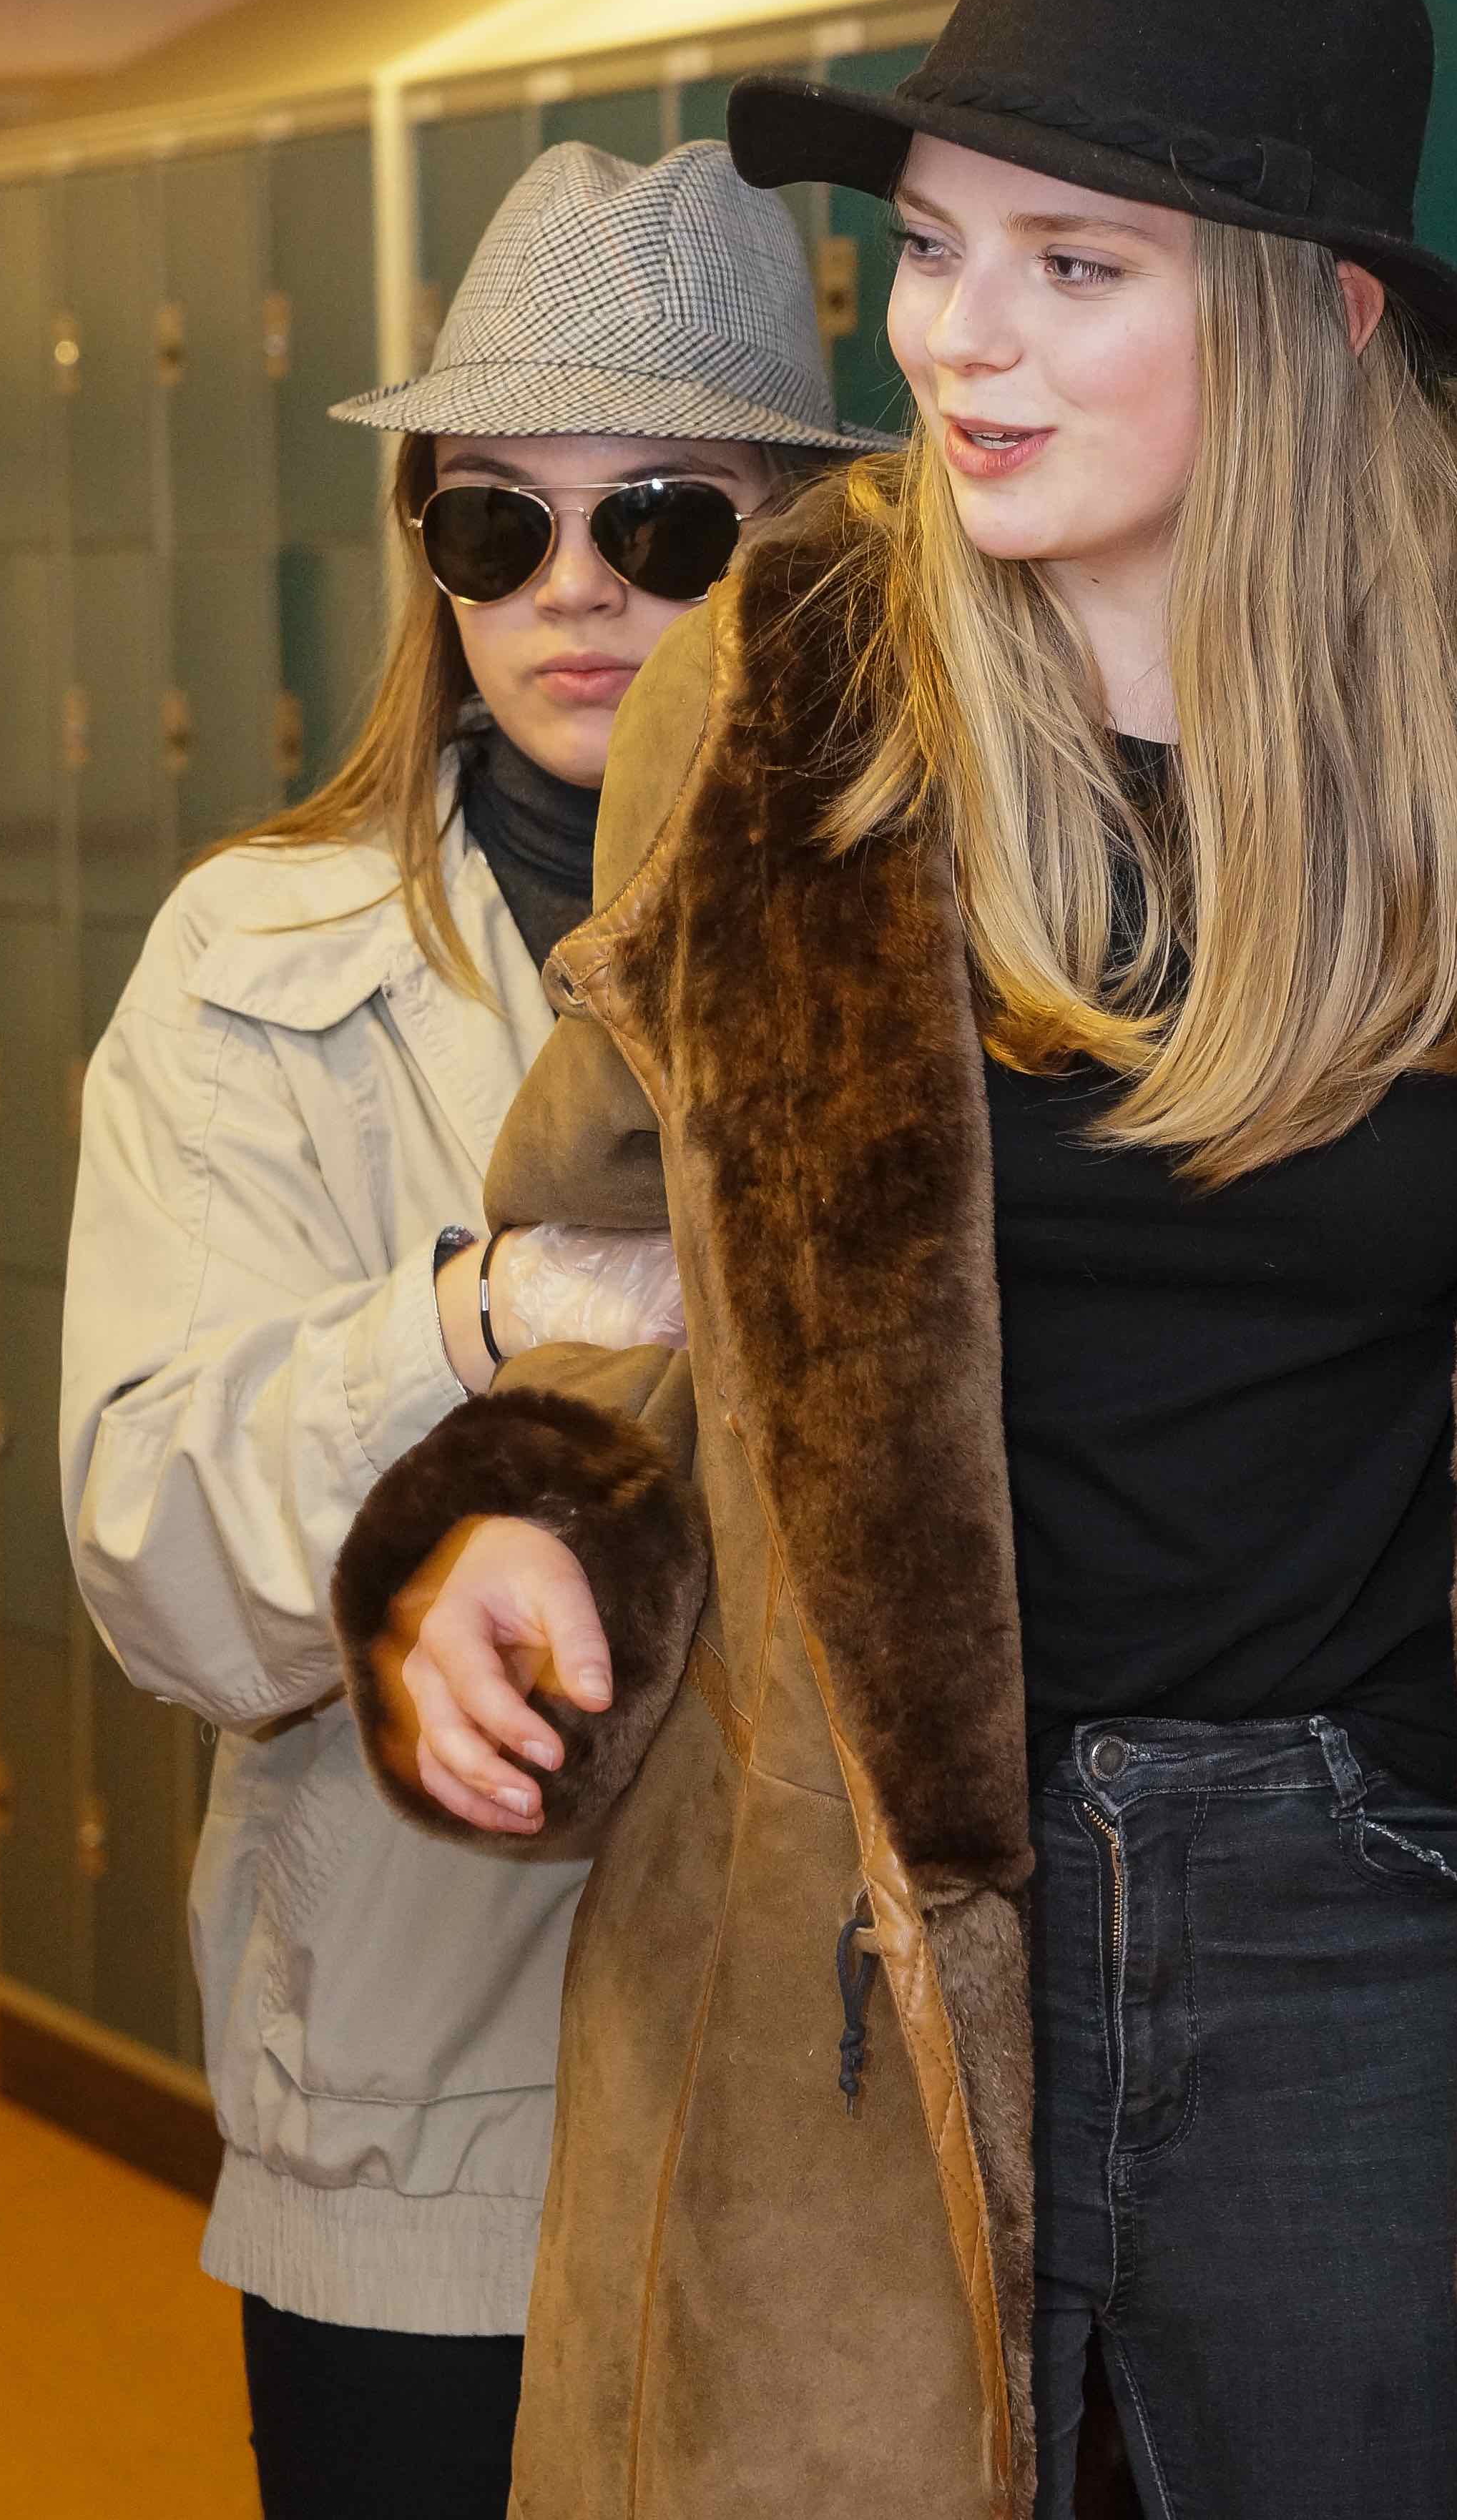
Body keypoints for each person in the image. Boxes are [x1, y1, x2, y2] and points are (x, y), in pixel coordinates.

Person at [332, 0, 1457, 2520]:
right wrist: (509, 1525)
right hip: (871, 1904)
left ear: (1315, 311)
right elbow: (628, 1270)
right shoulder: (783, 694)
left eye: (1070, 265)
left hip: (1380, 1918)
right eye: (930, 251)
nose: (955, 339)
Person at [59, 138, 883, 2520]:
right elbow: (158, 1562)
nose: (572, 588)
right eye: (494, 521)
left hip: (849, 2108)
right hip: (427, 2133)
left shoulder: (952, 945)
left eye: (667, 520)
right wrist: (474, 1318)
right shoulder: (256, 965)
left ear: (806, 543)